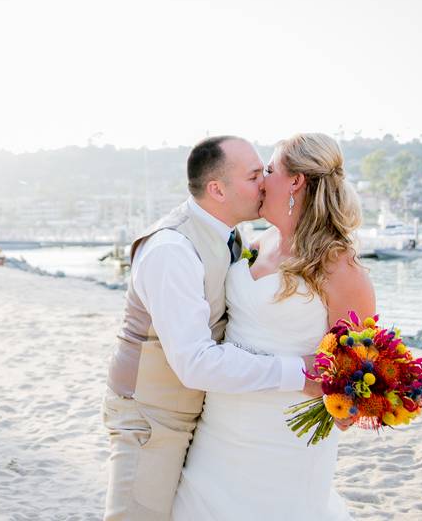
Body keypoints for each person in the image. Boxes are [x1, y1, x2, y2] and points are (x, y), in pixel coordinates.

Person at [102, 136, 324, 521]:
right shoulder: (171, 250)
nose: (265, 183)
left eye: (265, 172)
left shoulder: (234, 237)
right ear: (217, 189)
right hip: (151, 420)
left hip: (205, 420)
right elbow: (195, 363)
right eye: (255, 175)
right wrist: (299, 372)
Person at [172, 133, 374, 520]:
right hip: (220, 426)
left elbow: (356, 374)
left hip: (284, 440)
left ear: (296, 181)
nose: (262, 179)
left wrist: (348, 398)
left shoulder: (339, 266)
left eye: (269, 169)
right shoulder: (260, 241)